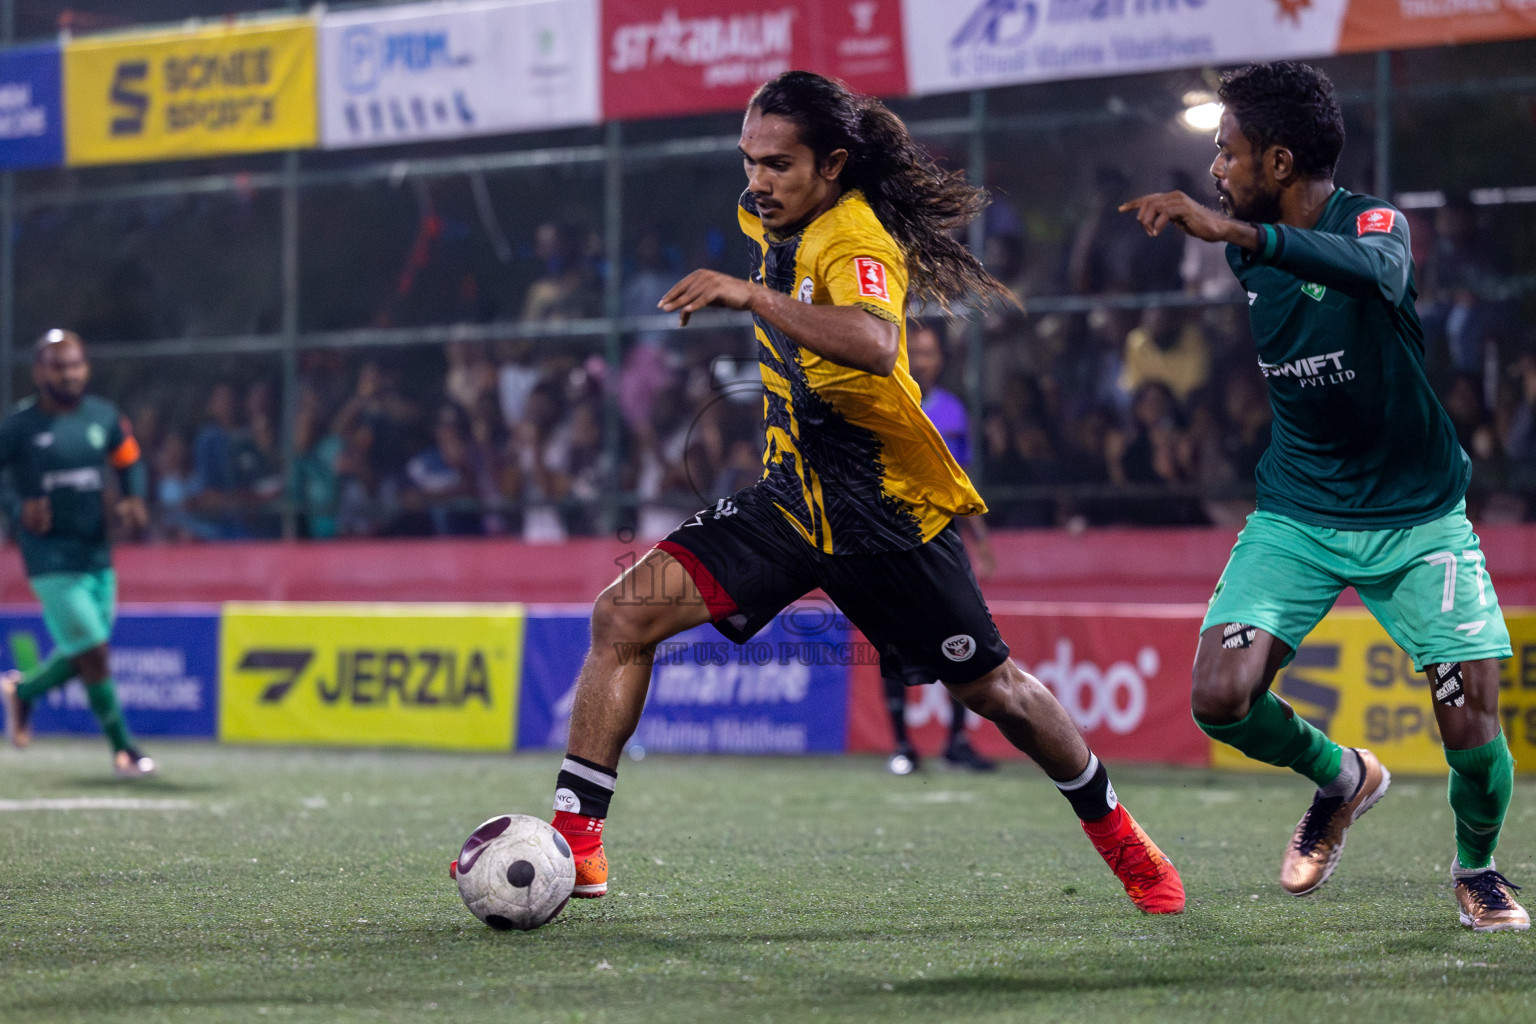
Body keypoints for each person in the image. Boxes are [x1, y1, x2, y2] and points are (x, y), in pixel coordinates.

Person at [508, 71, 1184, 915]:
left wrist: (748, 293)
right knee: (622, 615)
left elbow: (872, 342)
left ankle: (1118, 830)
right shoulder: (771, 213)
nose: (757, 181)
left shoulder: (854, 239)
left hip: (882, 514)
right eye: (749, 159)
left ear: (832, 165)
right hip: (789, 500)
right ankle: (578, 840)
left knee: (995, 692)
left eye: (779, 164)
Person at [1122, 61, 1525, 931]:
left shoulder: (1374, 225)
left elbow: (1373, 270)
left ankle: (1479, 869)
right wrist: (1242, 234)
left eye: (1228, 154)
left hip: (1418, 521)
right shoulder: (1247, 247)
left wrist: (1240, 230)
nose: (1216, 171)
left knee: (1471, 715)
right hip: (1299, 514)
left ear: (1279, 162)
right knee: (1219, 699)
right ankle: (1342, 776)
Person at [0, 330, 156, 777]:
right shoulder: (19, 426)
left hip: (95, 552)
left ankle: (24, 693)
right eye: (58, 366)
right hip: (49, 557)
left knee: (88, 652)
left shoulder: (103, 416)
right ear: (39, 371)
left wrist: (133, 498)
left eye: (75, 364)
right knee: (95, 651)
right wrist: (15, 509)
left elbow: (128, 458)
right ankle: (125, 750)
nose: (69, 373)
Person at [883, 321, 996, 775]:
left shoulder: (952, 412)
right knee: (892, 640)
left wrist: (981, 541)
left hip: (942, 540)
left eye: (929, 353)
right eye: (916, 352)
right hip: (890, 540)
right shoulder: (885, 402)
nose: (922, 361)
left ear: (941, 360)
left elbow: (959, 483)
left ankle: (955, 740)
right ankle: (901, 746)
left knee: (960, 636)